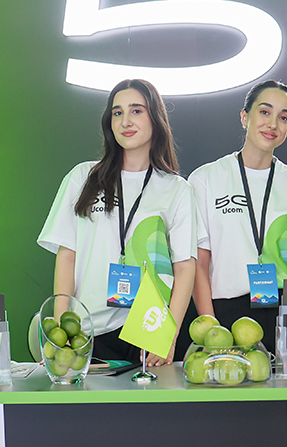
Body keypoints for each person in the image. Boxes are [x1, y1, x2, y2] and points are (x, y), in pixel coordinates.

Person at [37, 79, 196, 365]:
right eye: (117, 112)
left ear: (155, 118)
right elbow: (67, 256)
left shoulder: (176, 189)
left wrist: (168, 338)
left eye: (136, 111)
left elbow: (185, 267)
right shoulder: (82, 177)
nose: (125, 121)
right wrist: (63, 330)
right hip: (88, 331)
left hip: (147, 330)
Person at [189, 80, 287, 352]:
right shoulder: (205, 179)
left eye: (283, 117)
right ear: (244, 116)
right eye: (264, 112)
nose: (273, 124)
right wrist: (212, 328)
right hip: (226, 312)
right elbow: (199, 265)